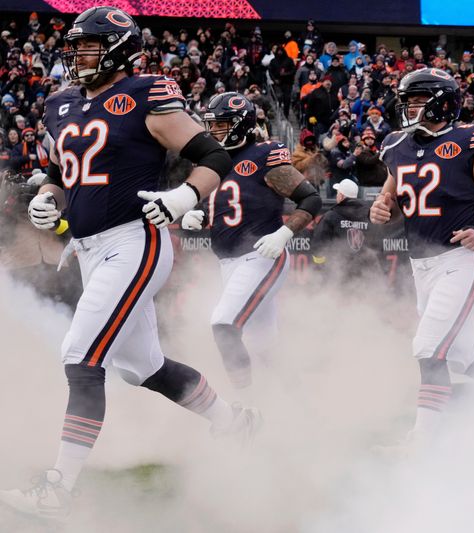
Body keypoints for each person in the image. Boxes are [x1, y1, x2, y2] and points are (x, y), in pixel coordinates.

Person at [0, 7, 257, 519]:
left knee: (81, 356)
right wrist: (48, 195)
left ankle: (59, 490)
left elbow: (213, 156)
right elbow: (59, 168)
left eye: (87, 47)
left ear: (117, 48)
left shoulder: (146, 93)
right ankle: (233, 422)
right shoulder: (61, 103)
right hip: (91, 246)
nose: (76, 56)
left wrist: (186, 196)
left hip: (135, 240)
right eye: (74, 47)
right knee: (144, 368)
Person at [370, 68, 474, 447]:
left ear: (441, 102)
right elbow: (394, 193)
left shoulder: (468, 140)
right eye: (407, 101)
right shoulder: (396, 145)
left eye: (417, 100)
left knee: (427, 349)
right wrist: (381, 205)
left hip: (459, 259)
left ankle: (423, 439)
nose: (409, 108)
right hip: (420, 263)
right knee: (459, 354)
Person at [181, 92, 321, 389]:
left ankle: (246, 405)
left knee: (223, 325)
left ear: (241, 124)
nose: (213, 131)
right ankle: (304, 409)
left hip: (260, 256)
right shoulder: (213, 162)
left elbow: (310, 199)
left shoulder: (263, 155)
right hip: (229, 262)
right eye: (211, 125)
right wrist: (201, 216)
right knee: (266, 348)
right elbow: (233, 205)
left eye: (221, 125)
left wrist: (283, 234)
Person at [311, 178, 377, 281]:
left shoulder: (330, 216)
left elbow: (319, 246)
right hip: (364, 275)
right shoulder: (369, 217)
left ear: (341, 196)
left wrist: (320, 270)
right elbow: (376, 246)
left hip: (337, 274)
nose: (337, 196)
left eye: (338, 193)